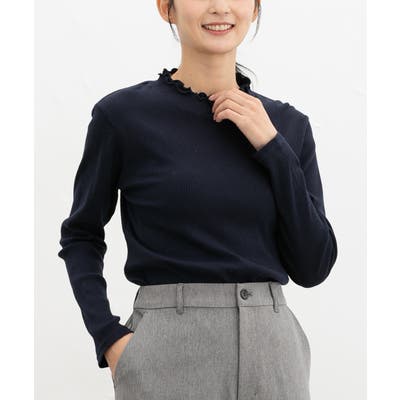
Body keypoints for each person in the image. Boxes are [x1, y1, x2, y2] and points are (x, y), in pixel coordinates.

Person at [57, 1, 338, 399]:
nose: (220, 7)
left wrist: (273, 148)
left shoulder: (288, 126)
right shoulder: (123, 117)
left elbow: (313, 267)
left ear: (255, 9)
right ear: (166, 8)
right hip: (167, 349)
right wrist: (109, 338)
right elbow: (81, 235)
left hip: (273, 352)